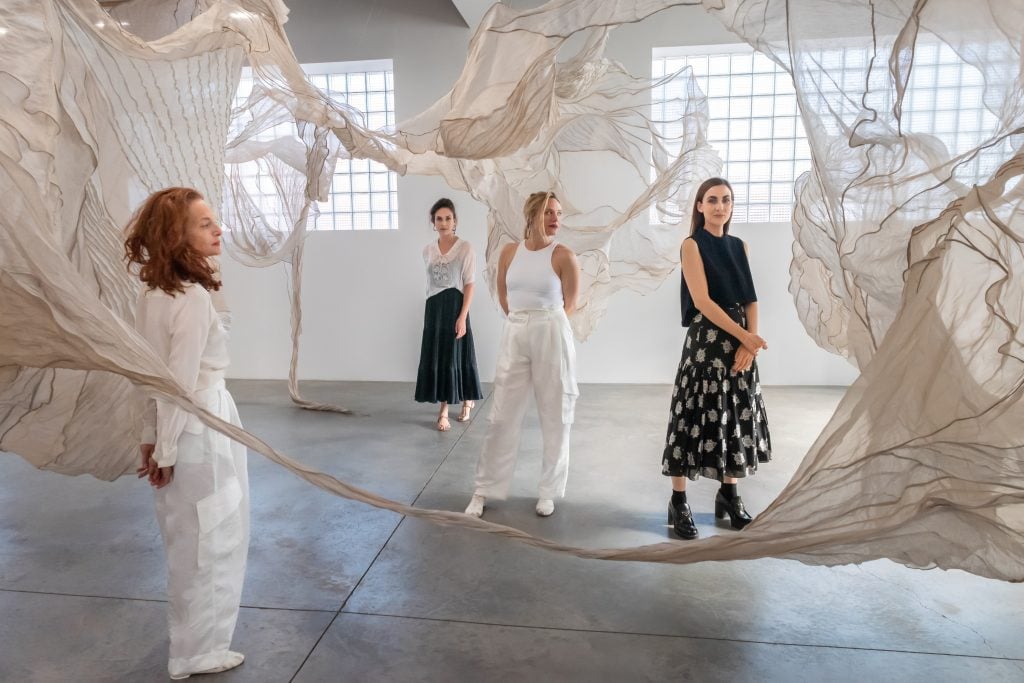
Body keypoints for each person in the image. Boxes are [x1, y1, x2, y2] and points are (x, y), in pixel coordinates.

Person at [124, 187, 248, 679]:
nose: (218, 230)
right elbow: (177, 381)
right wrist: (168, 447)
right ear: (178, 237)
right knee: (215, 537)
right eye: (204, 224)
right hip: (203, 423)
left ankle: (191, 646)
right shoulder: (191, 298)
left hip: (183, 425)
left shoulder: (153, 293)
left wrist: (150, 439)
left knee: (187, 538)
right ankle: (201, 650)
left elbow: (147, 376)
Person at [663, 177, 772, 540]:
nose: (719, 206)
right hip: (706, 343)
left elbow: (751, 299)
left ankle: (730, 494)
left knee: (735, 417)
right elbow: (702, 301)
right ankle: (679, 501)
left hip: (739, 344)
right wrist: (747, 338)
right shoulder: (692, 245)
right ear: (699, 206)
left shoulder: (740, 246)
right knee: (692, 416)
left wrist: (749, 345)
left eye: (725, 200)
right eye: (711, 200)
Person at [464, 191, 579, 518]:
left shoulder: (564, 255)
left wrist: (545, 325)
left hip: (551, 331)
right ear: (532, 216)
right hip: (516, 331)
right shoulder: (509, 252)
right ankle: (483, 490)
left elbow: (570, 304)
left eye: (558, 212)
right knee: (501, 416)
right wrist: (522, 322)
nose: (556, 218)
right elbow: (504, 294)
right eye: (549, 212)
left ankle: (548, 491)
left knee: (556, 414)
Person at [415, 198, 484, 430]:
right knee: (441, 356)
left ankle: (456, 405)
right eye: (438, 219)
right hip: (434, 309)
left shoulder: (465, 248)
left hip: (455, 306)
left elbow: (470, 284)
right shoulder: (427, 251)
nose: (443, 223)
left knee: (457, 355)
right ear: (433, 222)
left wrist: (463, 316)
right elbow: (430, 284)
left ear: (455, 221)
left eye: (448, 218)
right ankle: (452, 405)